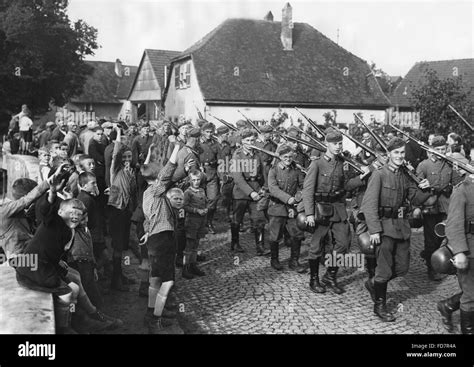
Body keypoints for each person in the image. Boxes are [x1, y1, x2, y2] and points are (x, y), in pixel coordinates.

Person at [360, 137, 432, 322]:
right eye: (396, 152)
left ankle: (373, 283)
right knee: (384, 269)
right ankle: (380, 305)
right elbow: (368, 205)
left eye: (402, 152)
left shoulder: (405, 175)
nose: (400, 156)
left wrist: (425, 188)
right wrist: (374, 230)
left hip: (401, 226)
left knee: (402, 268)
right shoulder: (379, 174)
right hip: (384, 228)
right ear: (389, 154)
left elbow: (415, 199)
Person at [302, 129, 363, 295]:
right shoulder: (317, 164)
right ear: (326, 144)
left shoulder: (343, 163)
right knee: (316, 246)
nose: (338, 146)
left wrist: (363, 176)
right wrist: (309, 214)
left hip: (337, 208)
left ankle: (330, 275)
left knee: (343, 243)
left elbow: (347, 185)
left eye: (340, 143)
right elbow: (307, 190)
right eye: (334, 143)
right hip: (320, 210)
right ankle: (314, 279)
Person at [140, 143, 182, 333]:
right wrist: (178, 146)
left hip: (158, 238)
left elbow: (149, 218)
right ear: (156, 177)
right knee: (165, 281)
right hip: (162, 240)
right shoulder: (155, 190)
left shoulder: (148, 194)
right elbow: (168, 171)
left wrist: (147, 230)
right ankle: (154, 317)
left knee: (157, 280)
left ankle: (156, 314)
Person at [416, 136, 462, 281]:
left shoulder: (449, 164)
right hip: (431, 206)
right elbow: (417, 187)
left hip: (447, 206)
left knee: (448, 236)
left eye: (443, 149)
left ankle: (447, 263)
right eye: (438, 150)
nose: (441, 152)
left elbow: (458, 182)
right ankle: (431, 267)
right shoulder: (424, 165)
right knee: (431, 239)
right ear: (432, 150)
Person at [267, 144, 306, 272]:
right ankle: (275, 259)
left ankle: (294, 261)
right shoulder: (273, 171)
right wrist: (288, 199)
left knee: (297, 234)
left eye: (290, 156)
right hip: (277, 207)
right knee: (275, 235)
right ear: (280, 157)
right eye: (285, 157)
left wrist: (299, 196)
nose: (288, 159)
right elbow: (273, 189)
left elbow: (302, 185)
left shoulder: (296, 170)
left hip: (292, 208)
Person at [444, 173, 474, 334]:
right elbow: (453, 225)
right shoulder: (462, 190)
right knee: (471, 296)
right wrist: (460, 252)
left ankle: (447, 306)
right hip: (470, 249)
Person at [107, 127, 137, 291]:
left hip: (126, 211)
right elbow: (115, 154)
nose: (126, 159)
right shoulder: (116, 170)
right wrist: (118, 133)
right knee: (117, 246)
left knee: (123, 245)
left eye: (129, 157)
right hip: (116, 210)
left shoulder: (131, 172)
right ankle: (114, 281)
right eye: (124, 157)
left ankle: (120, 275)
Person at [230, 129, 267, 254]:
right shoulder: (237, 155)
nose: (250, 143)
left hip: (257, 189)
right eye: (247, 140)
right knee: (237, 220)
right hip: (241, 192)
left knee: (259, 219)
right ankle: (235, 243)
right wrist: (251, 193)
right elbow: (238, 178)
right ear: (242, 141)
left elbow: (263, 173)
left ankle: (260, 247)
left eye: (252, 140)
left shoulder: (257, 154)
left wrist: (264, 188)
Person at [182, 169, 209, 279]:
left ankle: (193, 265)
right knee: (189, 246)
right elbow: (184, 206)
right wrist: (196, 211)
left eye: (198, 180)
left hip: (201, 222)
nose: (196, 182)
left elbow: (205, 202)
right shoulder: (188, 192)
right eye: (194, 180)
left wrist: (206, 209)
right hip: (192, 221)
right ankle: (185, 268)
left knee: (196, 245)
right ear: (190, 181)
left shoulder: (202, 190)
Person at [199, 122, 221, 234]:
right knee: (198, 199)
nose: (209, 134)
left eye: (211, 132)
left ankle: (209, 222)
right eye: (207, 132)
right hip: (199, 174)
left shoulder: (216, 144)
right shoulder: (197, 143)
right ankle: (198, 224)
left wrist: (222, 176)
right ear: (202, 132)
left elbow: (221, 161)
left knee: (213, 199)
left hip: (212, 173)